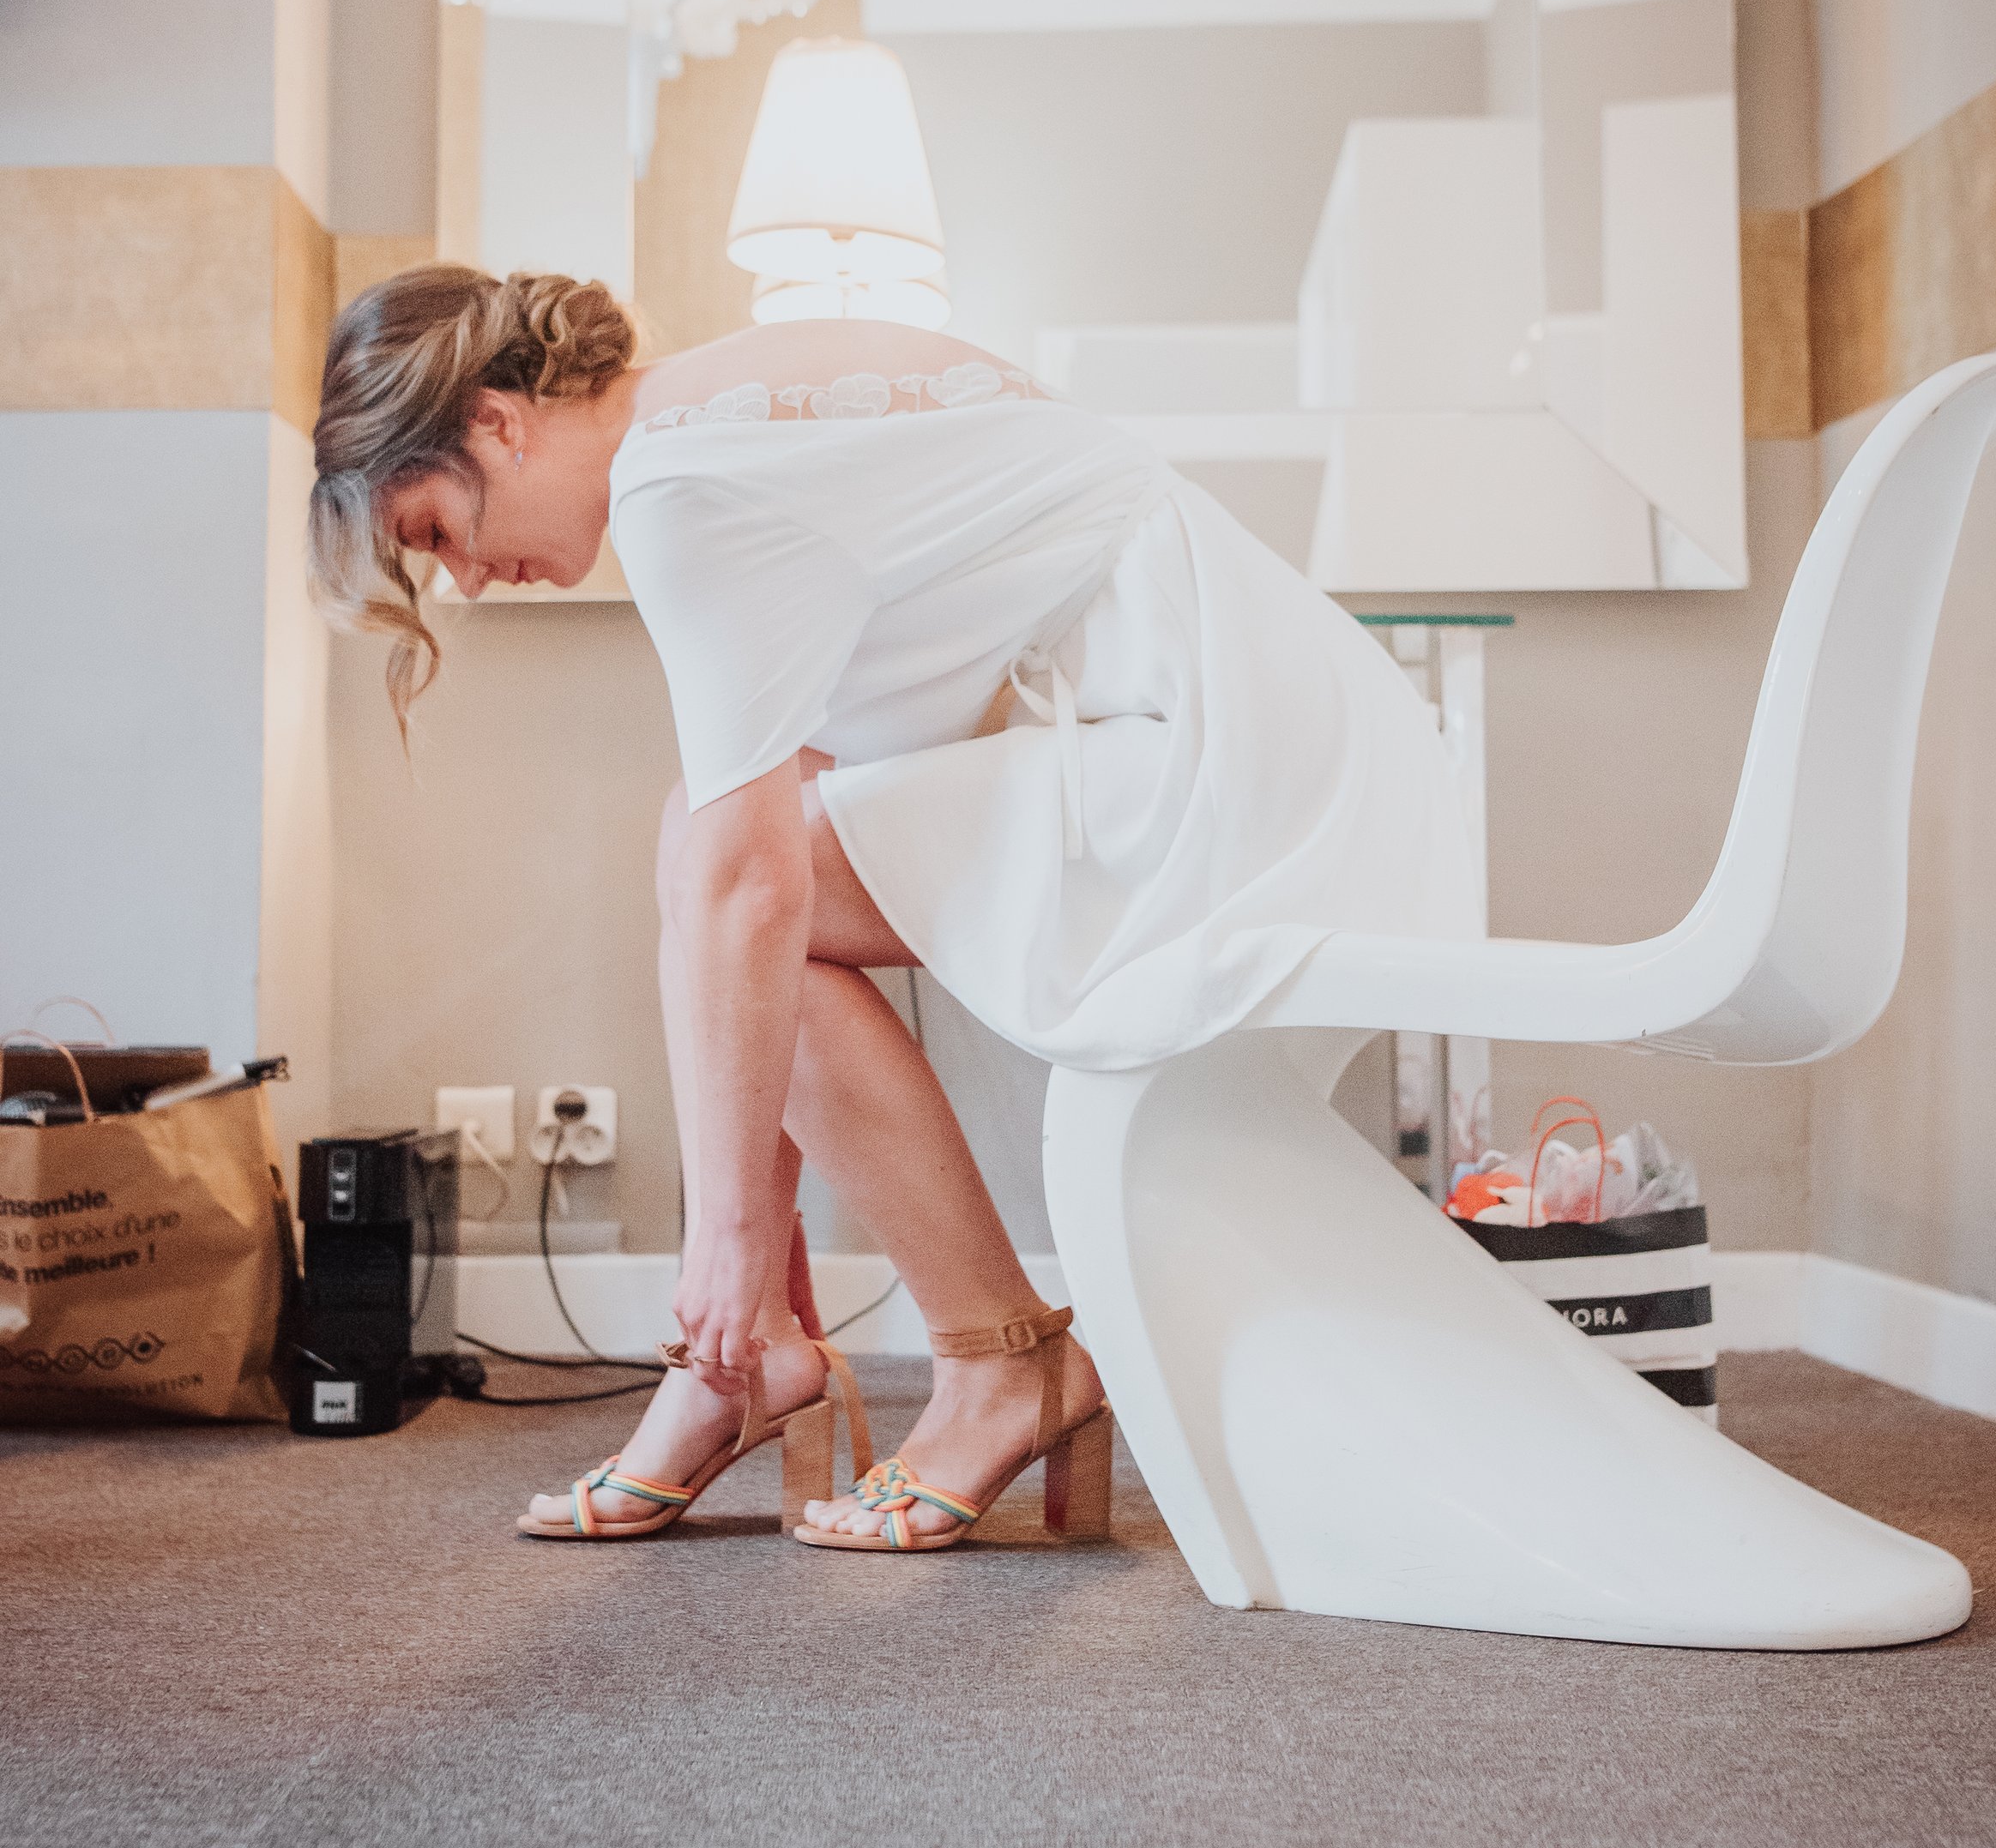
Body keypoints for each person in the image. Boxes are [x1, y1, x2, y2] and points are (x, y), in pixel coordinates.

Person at [308, 266, 1473, 1555]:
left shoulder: (677, 489)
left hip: (1237, 769)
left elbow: (755, 887)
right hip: (1269, 729)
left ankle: (985, 1358)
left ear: (496, 421)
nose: (461, 579)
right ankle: (757, 1358)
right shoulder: (702, 410)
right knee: (704, 825)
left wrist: (732, 1235)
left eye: (429, 532)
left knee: (746, 878)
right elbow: (741, 839)